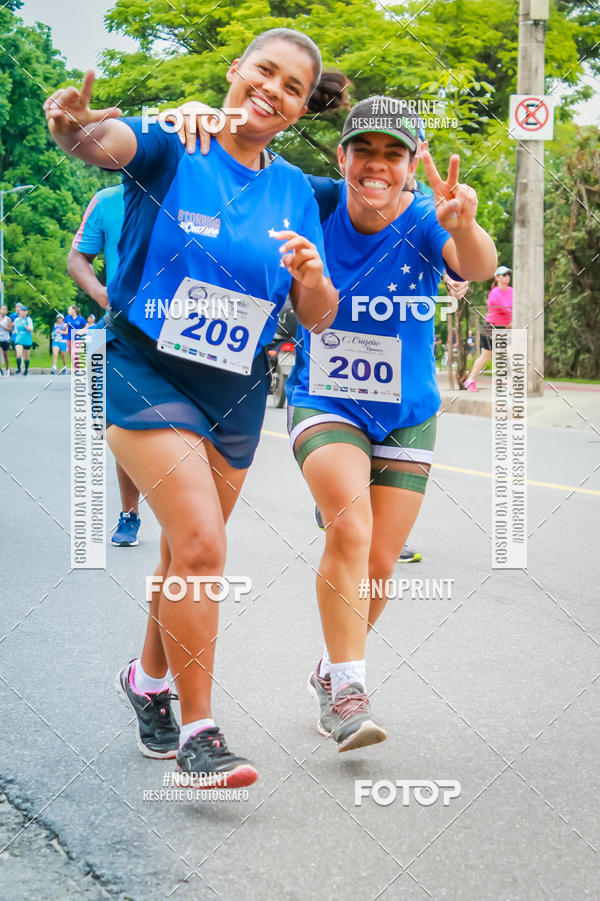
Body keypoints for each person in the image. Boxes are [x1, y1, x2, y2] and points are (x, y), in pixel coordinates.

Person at [44, 28, 340, 786]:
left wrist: (310, 273)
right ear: (236, 71)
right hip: (146, 368)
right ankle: (199, 735)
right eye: (263, 72)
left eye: (292, 88)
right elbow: (103, 144)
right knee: (204, 546)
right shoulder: (179, 136)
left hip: (234, 391)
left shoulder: (296, 192)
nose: (272, 90)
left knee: (184, 554)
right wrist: (73, 126)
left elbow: (316, 314)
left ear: (301, 109)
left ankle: (146, 681)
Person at [173, 95, 497, 752]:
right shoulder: (314, 200)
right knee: (349, 523)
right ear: (343, 157)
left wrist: (463, 225)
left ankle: (328, 672)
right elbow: (245, 169)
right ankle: (351, 691)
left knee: (379, 562)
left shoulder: (431, 219)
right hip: (327, 398)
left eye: (394, 153)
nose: (377, 165)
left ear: (411, 167)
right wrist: (205, 117)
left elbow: (479, 266)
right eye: (365, 150)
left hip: (408, 412)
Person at [68, 183, 142, 547]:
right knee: (122, 428)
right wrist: (100, 292)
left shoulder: (193, 192)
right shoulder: (107, 199)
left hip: (181, 331)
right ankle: (130, 513)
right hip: (121, 329)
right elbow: (76, 257)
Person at [463, 265, 512, 391]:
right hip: (491, 327)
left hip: (503, 328)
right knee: (486, 356)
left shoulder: (512, 291)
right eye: (504, 274)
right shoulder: (494, 293)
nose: (507, 277)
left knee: (506, 353)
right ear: (497, 277)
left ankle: (501, 381)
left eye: (508, 274)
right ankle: (470, 380)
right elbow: (505, 309)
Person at [13, 306, 34, 375]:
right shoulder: (16, 320)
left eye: (25, 311)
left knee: (26, 357)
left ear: (27, 312)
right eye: (22, 311)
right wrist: (15, 331)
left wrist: (25, 325)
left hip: (27, 340)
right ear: (20, 311)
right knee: (19, 354)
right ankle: (19, 369)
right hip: (19, 339)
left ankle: (26, 370)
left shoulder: (29, 319)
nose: (23, 312)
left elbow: (31, 330)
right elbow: (16, 329)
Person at [0, 305, 12, 376]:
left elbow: (10, 329)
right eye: (2, 309)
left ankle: (7, 369)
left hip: (6, 339)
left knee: (5, 355)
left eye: (4, 310)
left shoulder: (8, 319)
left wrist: (2, 326)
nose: (3, 311)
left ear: (6, 311)